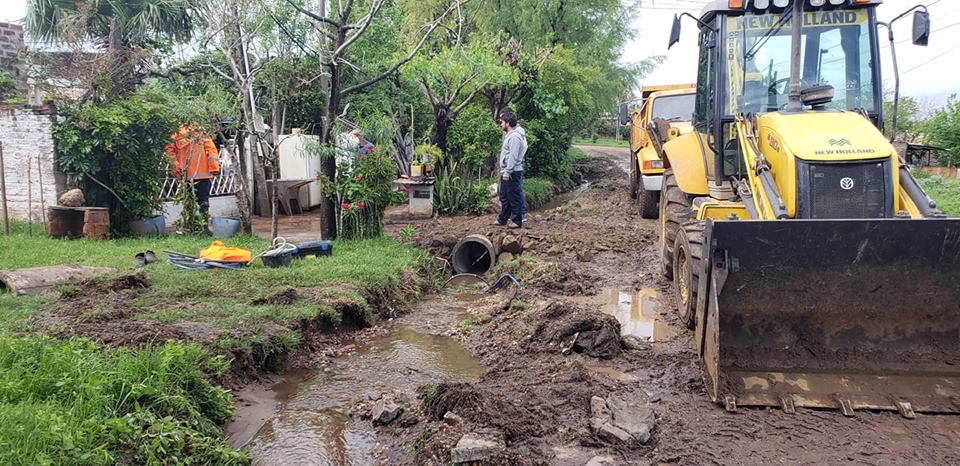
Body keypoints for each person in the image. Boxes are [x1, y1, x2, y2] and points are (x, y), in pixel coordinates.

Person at [165, 124, 221, 216]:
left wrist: (176, 168)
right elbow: (211, 150)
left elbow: (169, 152)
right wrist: (214, 168)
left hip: (186, 174)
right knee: (203, 202)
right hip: (203, 175)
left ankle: (190, 226)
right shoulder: (200, 130)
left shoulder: (176, 133)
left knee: (189, 203)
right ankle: (202, 226)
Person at [495, 108, 528, 228]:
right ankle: (503, 218)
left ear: (508, 123)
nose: (501, 124)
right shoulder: (509, 135)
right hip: (507, 170)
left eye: (502, 122)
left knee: (514, 195)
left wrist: (508, 171)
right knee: (504, 195)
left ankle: (517, 220)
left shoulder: (515, 137)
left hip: (513, 171)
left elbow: (513, 156)